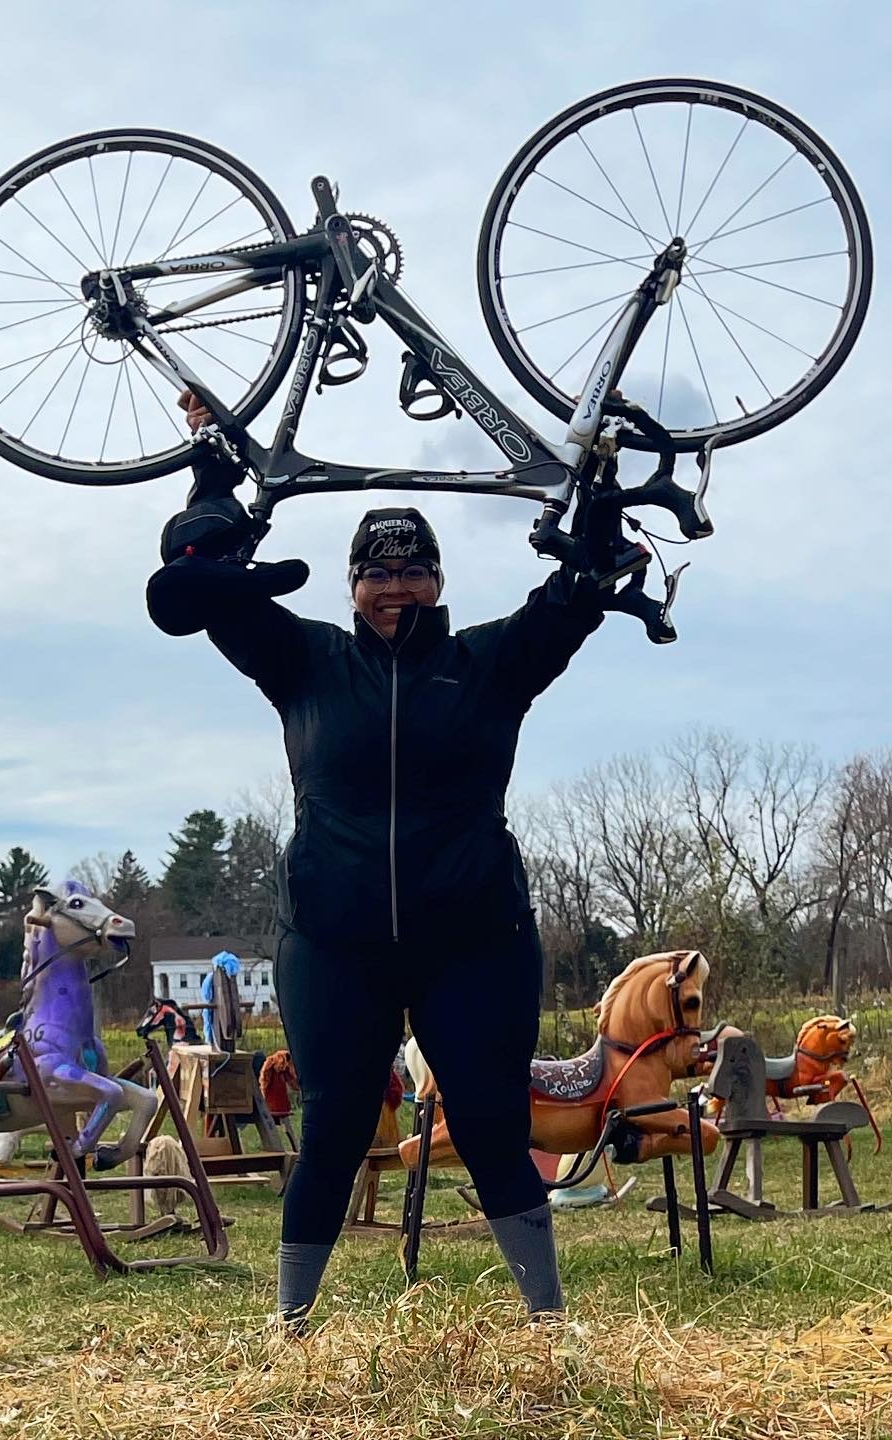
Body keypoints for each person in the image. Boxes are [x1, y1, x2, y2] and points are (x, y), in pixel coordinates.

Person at [146, 391, 608, 1328]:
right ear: (352, 586)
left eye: (414, 572)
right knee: (336, 1127)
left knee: (487, 1126)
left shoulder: (492, 663)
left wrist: (598, 499)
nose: (395, 588)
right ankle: (291, 1328)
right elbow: (200, 586)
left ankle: (549, 1329)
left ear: (438, 582)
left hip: (474, 937)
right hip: (334, 937)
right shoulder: (303, 659)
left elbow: (577, 597)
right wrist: (211, 468)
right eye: (377, 573)